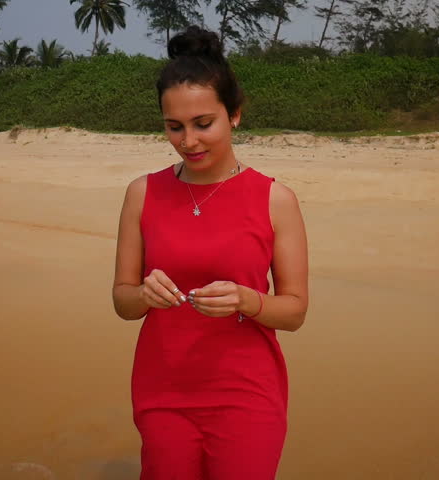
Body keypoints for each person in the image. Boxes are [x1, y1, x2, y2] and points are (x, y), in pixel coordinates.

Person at [112, 26, 309, 479]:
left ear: (234, 114)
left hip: (246, 393)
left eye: (204, 124)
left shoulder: (275, 199)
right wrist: (143, 294)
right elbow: (122, 301)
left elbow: (295, 311)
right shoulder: (142, 193)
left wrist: (247, 300)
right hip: (163, 392)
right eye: (173, 127)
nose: (189, 141)